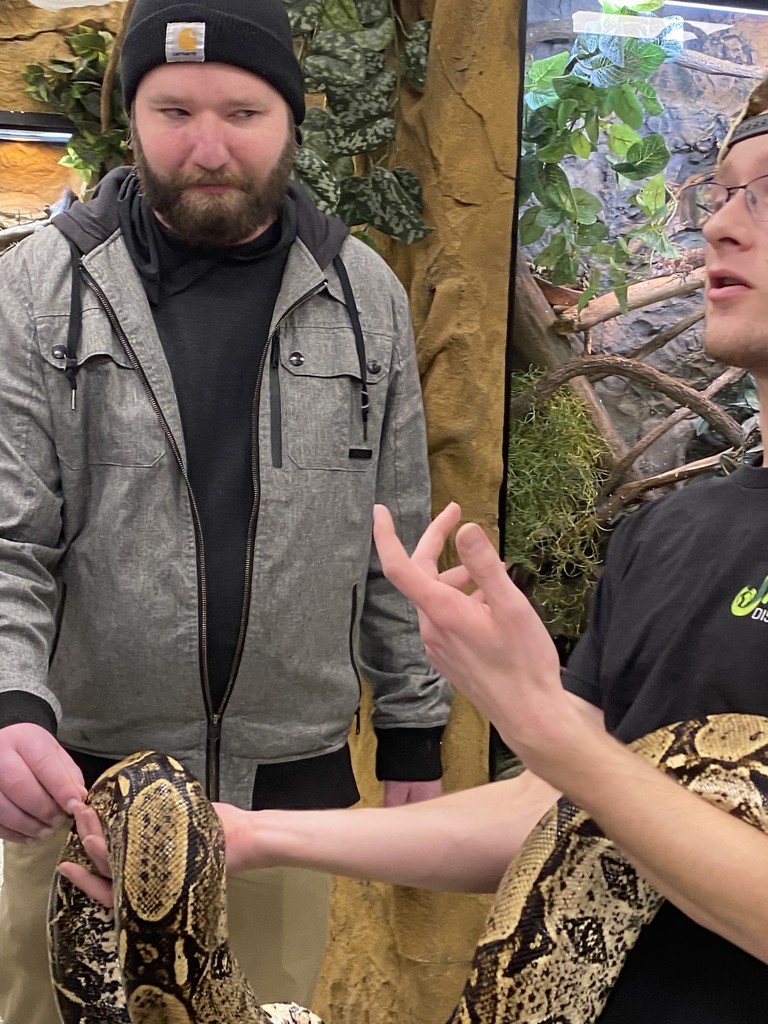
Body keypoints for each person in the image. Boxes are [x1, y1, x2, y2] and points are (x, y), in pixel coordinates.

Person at [65, 72, 768, 1023]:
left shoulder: (359, 293)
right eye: (720, 193)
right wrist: (256, 835)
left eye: (763, 196)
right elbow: (566, 816)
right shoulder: (674, 533)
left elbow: (590, 780)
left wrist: (547, 733)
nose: (721, 226)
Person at [0, 0, 452, 1020]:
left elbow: (398, 536)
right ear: (132, 116)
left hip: (284, 797)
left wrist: (417, 729)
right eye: (174, 111)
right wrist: (10, 701)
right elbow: (7, 539)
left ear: (292, 116)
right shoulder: (39, 290)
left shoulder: (363, 293)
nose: (207, 148)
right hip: (77, 786)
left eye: (242, 111)